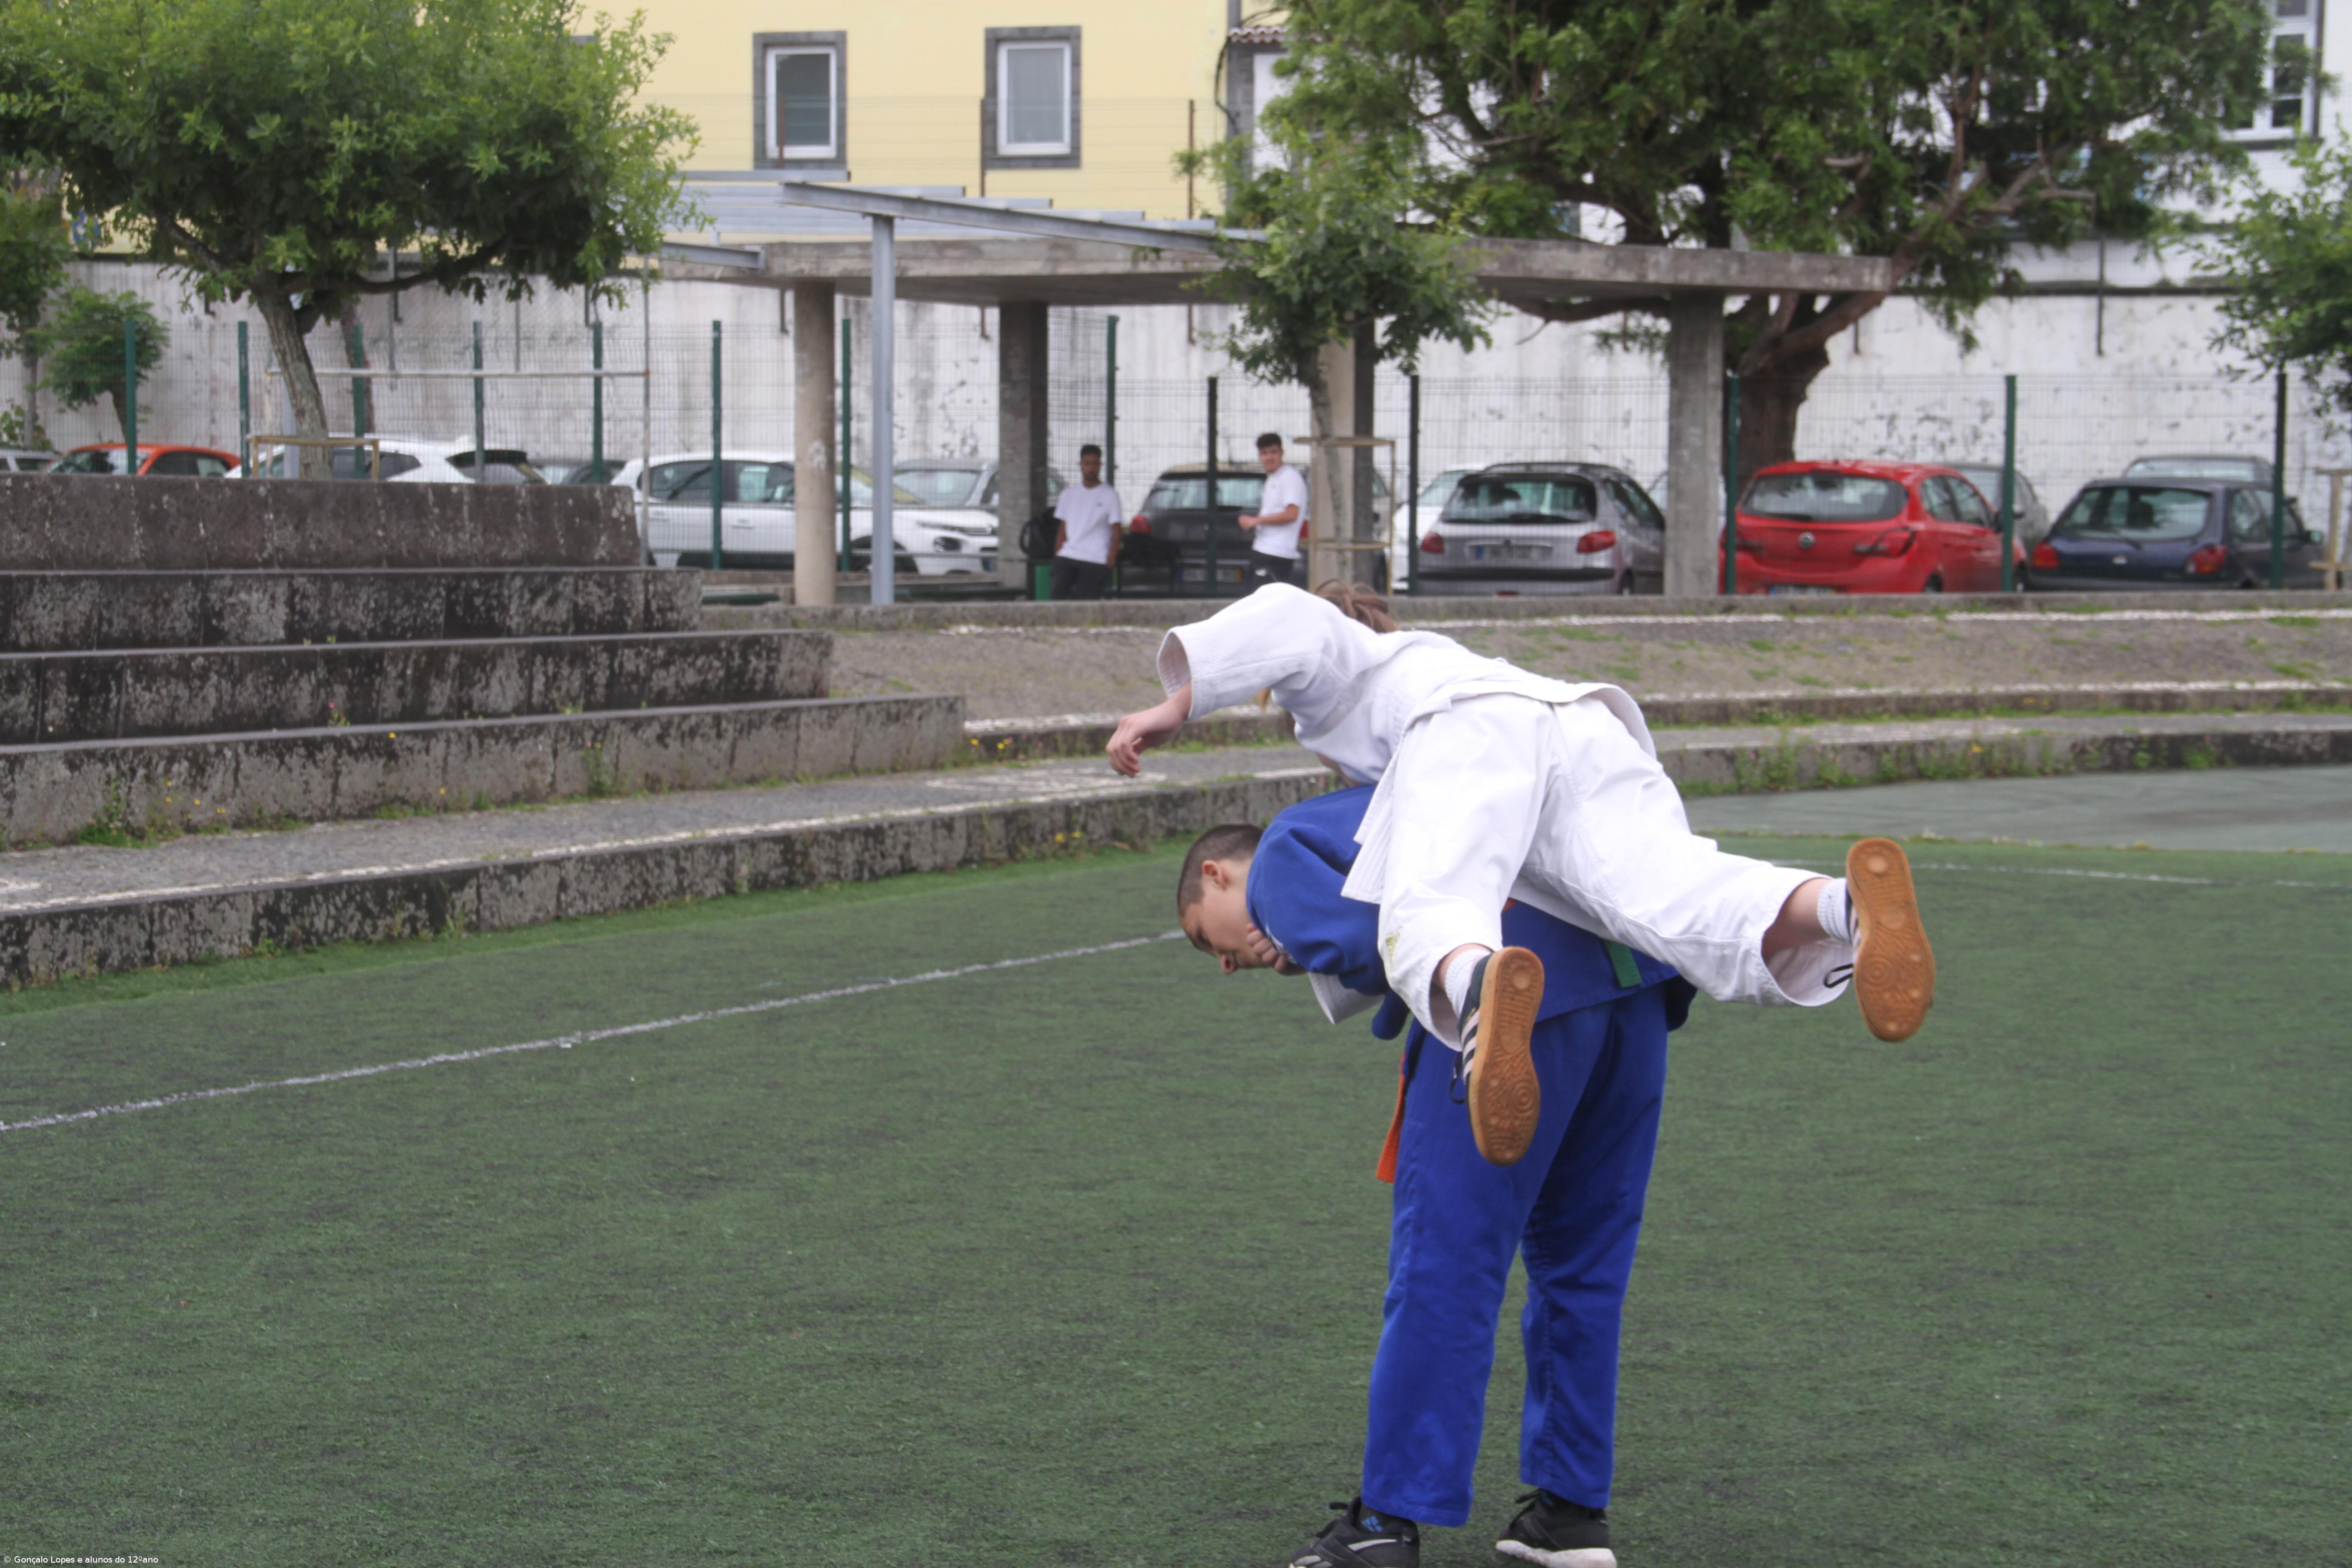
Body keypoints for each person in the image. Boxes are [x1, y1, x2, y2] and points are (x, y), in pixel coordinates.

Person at [1115, 580, 1936, 1165]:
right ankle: (1844, 910)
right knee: (1669, 892)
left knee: (1426, 907)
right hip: (1579, 724)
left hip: (1471, 728)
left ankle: (1479, 991)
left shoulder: (1352, 677)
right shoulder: (1435, 657)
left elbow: (1290, 613)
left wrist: (1176, 703)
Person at [1178, 787, 1692, 1568]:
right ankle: (1569, 1513)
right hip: (1634, 987)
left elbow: (1379, 945)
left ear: (1217, 875)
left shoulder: (1283, 849)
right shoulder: (1497, 763)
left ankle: (1387, 1521)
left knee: (1445, 1269)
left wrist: (1296, 937)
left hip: (1512, 1000)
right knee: (1585, 1268)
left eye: (1203, 937)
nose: (1222, 961)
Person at [1049, 443, 1124, 600]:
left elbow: (1117, 531)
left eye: (1095, 464)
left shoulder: (1110, 495)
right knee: (1056, 599)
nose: (1091, 468)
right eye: (1087, 464)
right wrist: (1058, 556)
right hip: (1068, 555)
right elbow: (1063, 529)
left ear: (1100, 465)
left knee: (1085, 604)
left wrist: (1110, 561)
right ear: (1081, 465)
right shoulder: (1068, 495)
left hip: (1096, 559)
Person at [1237, 432, 1309, 586]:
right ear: (1259, 456)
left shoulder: (1290, 477)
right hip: (1264, 548)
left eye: (1273, 452)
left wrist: (1256, 521)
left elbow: (1292, 514)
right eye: (1265, 453)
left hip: (1277, 552)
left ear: (1282, 453)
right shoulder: (1273, 478)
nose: (1269, 457)